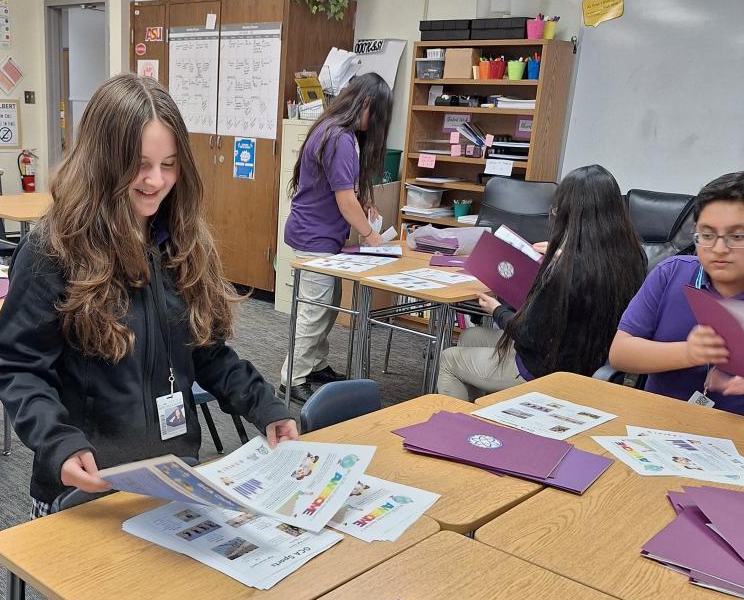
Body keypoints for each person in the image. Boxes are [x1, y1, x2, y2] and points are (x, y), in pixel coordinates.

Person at [0, 73, 297, 600]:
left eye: (167, 166)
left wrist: (266, 407)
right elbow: (18, 365)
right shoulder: (53, 248)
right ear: (103, 162)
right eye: (139, 168)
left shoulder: (174, 237)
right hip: (84, 486)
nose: (155, 182)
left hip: (164, 477)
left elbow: (208, 351)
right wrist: (59, 443)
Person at [437, 164, 646, 400]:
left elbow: (529, 335)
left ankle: (458, 421)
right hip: (589, 361)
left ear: (570, 213)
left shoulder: (567, 271)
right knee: (470, 337)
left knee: (449, 360)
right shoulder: (634, 256)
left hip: (547, 369)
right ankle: (487, 412)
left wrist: (497, 310)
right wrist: (561, 254)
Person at [280, 72, 394, 404]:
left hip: (321, 236)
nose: (376, 125)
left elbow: (345, 189)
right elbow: (344, 201)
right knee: (314, 311)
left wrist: (364, 200)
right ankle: (291, 379)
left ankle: (314, 365)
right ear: (366, 103)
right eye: (378, 115)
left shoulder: (337, 131)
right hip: (314, 236)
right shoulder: (338, 137)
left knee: (327, 307)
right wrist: (371, 235)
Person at [609, 171, 744, 412]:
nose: (719, 248)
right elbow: (620, 353)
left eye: (736, 236)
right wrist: (689, 353)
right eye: (707, 235)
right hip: (657, 422)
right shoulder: (671, 273)